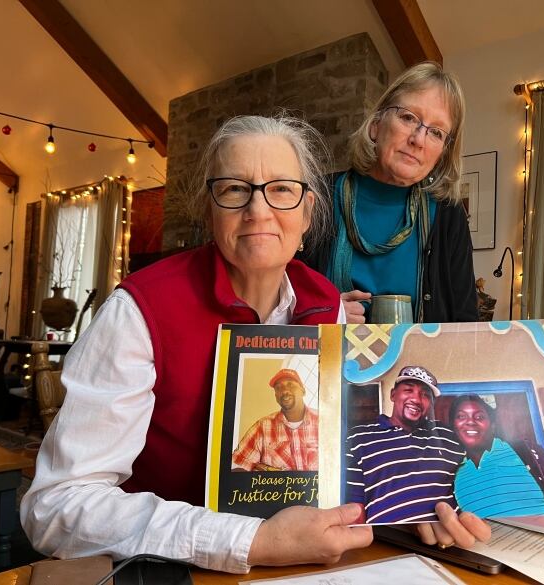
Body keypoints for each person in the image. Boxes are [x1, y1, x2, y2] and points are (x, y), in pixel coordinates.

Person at [21, 114, 371, 573]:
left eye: (282, 189)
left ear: (307, 213)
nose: (259, 211)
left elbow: (343, 460)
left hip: (310, 564)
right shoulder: (140, 309)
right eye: (234, 189)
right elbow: (55, 507)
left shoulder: (329, 306)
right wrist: (253, 541)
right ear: (209, 211)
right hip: (169, 572)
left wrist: (424, 514)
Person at [301, 62, 478, 324]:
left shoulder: (448, 215)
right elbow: (277, 297)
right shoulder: (319, 198)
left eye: (436, 132)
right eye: (408, 117)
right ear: (376, 124)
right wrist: (325, 311)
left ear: (442, 153)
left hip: (420, 364)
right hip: (324, 361)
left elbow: (466, 324)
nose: (418, 139)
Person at [345, 366, 466, 525]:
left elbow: (470, 476)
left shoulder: (447, 435)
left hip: (447, 535)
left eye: (425, 395)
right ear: (393, 395)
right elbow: (355, 504)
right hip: (388, 541)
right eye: (408, 390)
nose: (416, 399)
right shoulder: (358, 438)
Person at [449, 395, 544, 517]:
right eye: (461, 416)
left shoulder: (526, 450)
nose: (470, 422)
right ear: (453, 427)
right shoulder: (450, 470)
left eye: (479, 416)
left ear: (493, 426)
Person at [232, 368, 318, 471]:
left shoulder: (324, 421)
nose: (285, 391)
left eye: (290, 384)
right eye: (278, 387)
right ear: (276, 396)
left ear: (303, 391)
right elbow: (237, 465)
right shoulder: (263, 427)